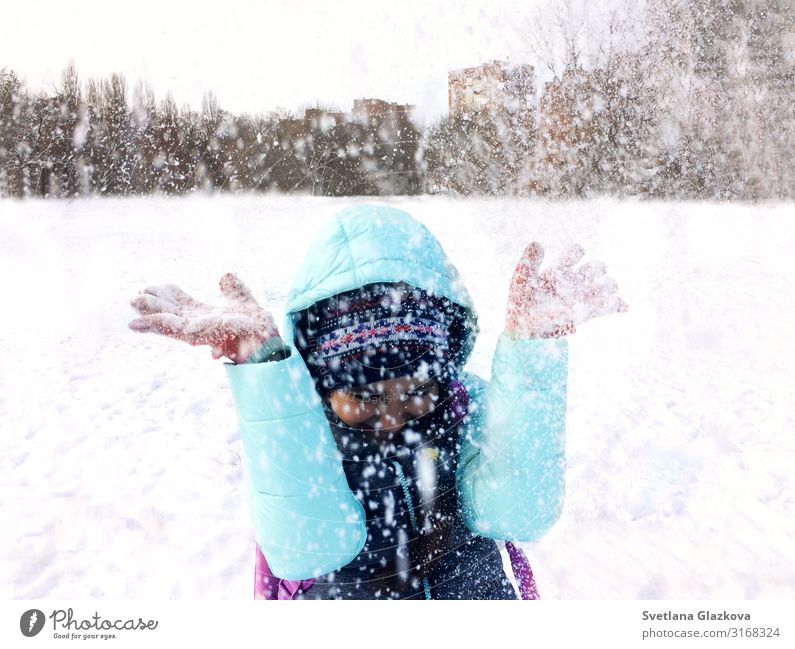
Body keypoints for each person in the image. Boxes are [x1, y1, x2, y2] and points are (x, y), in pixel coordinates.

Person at [129, 204, 626, 599]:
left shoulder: (463, 405)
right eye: (363, 396)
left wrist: (533, 355)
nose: (391, 417)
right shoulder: (306, 438)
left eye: (413, 392)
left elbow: (519, 508)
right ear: (323, 385)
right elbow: (306, 543)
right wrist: (263, 368)